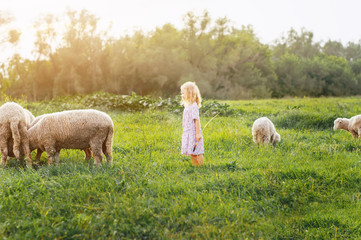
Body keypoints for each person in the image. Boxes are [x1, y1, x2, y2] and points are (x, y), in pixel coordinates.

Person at [180, 82, 204, 166]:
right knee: (192, 151)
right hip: (188, 132)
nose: (181, 95)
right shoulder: (188, 105)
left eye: (183, 93)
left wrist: (198, 134)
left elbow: (196, 120)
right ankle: (195, 166)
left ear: (189, 93)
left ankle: (201, 166)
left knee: (197, 151)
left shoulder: (193, 106)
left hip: (193, 132)